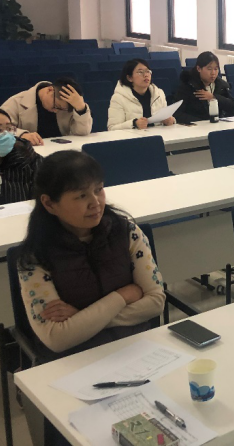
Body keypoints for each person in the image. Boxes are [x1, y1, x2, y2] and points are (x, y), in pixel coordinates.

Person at [15, 151, 165, 356]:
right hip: (75, 360)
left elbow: (156, 302)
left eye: (98, 190)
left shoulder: (126, 232)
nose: (96, 202)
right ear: (49, 204)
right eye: (81, 195)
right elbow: (57, 338)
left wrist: (81, 318)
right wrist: (123, 296)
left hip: (136, 347)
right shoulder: (35, 256)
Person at [1, 78, 92, 146]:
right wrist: (21, 135)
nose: (56, 111)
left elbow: (82, 132)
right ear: (49, 90)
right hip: (29, 154)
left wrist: (81, 109)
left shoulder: (69, 104)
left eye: (61, 109)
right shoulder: (15, 102)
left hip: (61, 151)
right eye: (56, 106)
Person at [107, 59, 175, 130]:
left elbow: (165, 118)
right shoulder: (118, 98)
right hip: (133, 136)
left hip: (157, 135)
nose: (146, 75)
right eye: (140, 72)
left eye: (148, 71)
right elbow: (112, 128)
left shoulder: (159, 94)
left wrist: (169, 121)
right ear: (129, 78)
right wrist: (134, 123)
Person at [174, 52, 234, 124]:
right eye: (209, 69)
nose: (213, 73)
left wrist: (214, 97)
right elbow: (177, 113)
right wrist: (201, 123)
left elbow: (233, 106)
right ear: (199, 68)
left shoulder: (221, 85)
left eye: (216, 69)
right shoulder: (188, 85)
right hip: (195, 126)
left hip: (217, 124)